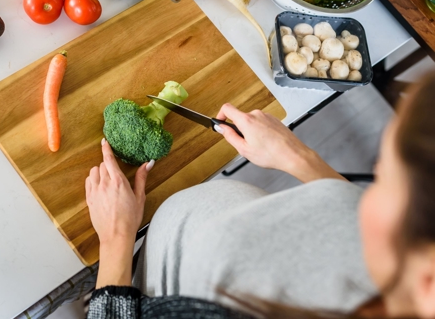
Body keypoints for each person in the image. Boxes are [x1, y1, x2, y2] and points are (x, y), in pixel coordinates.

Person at [84, 71, 435, 319]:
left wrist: (116, 240)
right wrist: (299, 158)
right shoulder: (403, 285)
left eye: (384, 180)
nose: (359, 194)